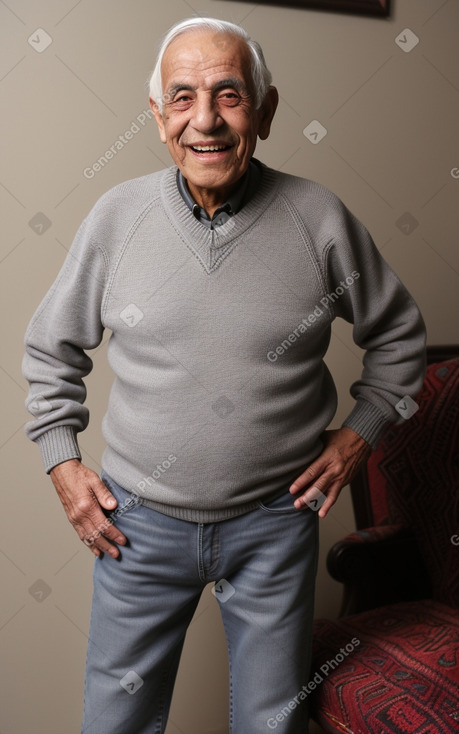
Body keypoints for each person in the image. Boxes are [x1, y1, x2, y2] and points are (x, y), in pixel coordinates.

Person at [22, 16, 426, 734]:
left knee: (272, 723)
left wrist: (358, 436)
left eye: (229, 94)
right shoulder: (116, 218)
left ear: (265, 111)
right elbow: (52, 351)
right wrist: (62, 463)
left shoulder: (319, 217)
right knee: (115, 723)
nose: (203, 119)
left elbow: (398, 338)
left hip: (276, 523)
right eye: (181, 97)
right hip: (136, 527)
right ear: (156, 116)